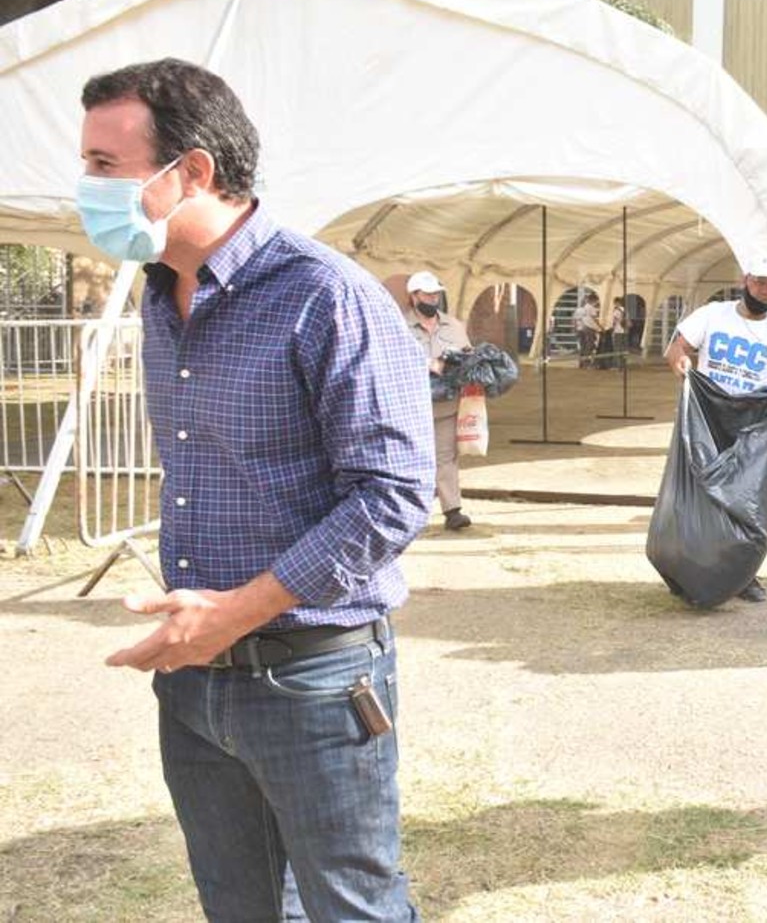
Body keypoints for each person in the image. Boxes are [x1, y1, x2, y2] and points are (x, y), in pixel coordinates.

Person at [86, 58, 434, 919]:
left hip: (313, 679)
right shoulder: (163, 297)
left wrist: (238, 610)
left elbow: (392, 494)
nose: (86, 188)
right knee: (238, 906)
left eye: (104, 166)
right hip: (195, 677)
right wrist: (200, 630)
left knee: (353, 907)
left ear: (191, 171)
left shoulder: (326, 295)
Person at [664, 252, 767, 602]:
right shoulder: (714, 315)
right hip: (708, 421)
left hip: (751, 431)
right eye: (760, 283)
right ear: (746, 280)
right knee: (702, 498)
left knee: (746, 504)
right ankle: (690, 566)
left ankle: (744, 575)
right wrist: (681, 362)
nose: (765, 291)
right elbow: (678, 346)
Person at [407, 270, 475, 531]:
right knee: (412, 460)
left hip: (446, 405)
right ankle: (411, 514)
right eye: (427, 294)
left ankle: (452, 510)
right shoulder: (398, 325)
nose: (433, 299)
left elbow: (468, 355)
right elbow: (390, 358)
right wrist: (427, 363)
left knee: (446, 456)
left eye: (436, 294)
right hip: (411, 406)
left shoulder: (454, 326)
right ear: (414, 296)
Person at [574, 293, 603, 368]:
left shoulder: (584, 307)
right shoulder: (591, 308)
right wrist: (600, 327)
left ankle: (582, 362)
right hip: (590, 328)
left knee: (584, 345)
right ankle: (586, 362)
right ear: (593, 300)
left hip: (583, 327)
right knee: (589, 345)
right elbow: (595, 319)